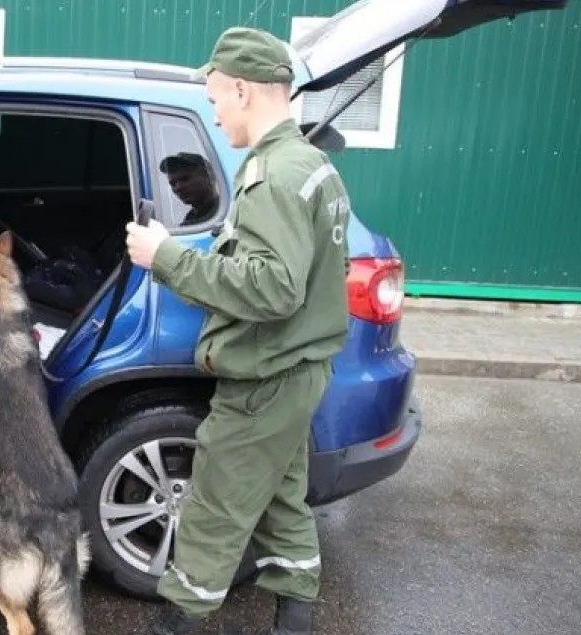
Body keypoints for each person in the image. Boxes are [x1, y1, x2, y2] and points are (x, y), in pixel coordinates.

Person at [124, 26, 353, 635]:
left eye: (217, 96)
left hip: (266, 379)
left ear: (245, 90)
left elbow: (275, 288)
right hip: (297, 374)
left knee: (212, 512)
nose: (215, 109)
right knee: (281, 505)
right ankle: (294, 621)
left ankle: (173, 624)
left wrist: (165, 255)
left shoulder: (273, 176)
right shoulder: (312, 166)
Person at [159, 152, 222, 227]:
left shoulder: (220, 215)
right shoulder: (191, 217)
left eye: (185, 179)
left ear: (209, 176)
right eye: (173, 183)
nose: (178, 187)